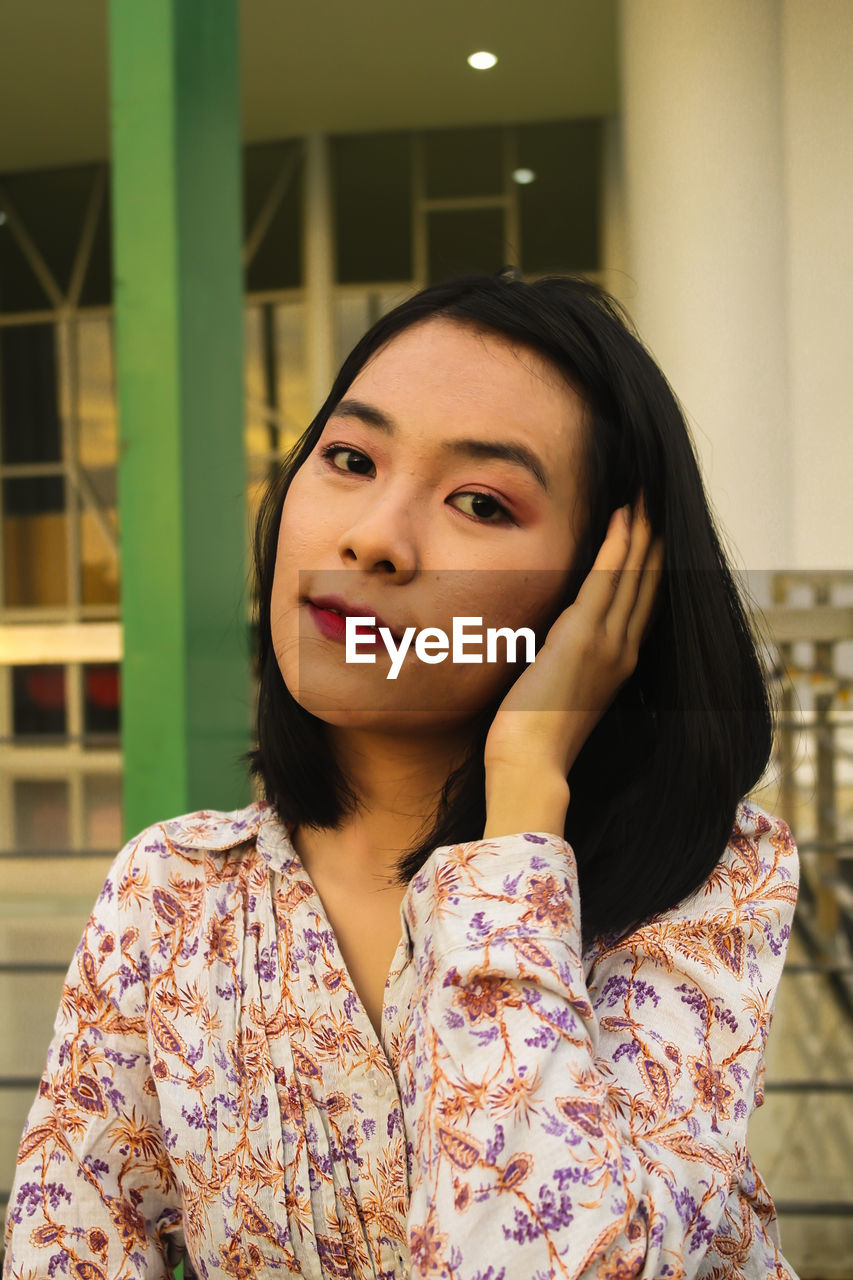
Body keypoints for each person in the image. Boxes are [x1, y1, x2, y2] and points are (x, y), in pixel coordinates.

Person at [3, 273, 799, 1280]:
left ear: (602, 587)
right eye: (348, 457)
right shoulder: (173, 892)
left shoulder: (704, 878)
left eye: (479, 500)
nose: (373, 536)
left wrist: (520, 810)